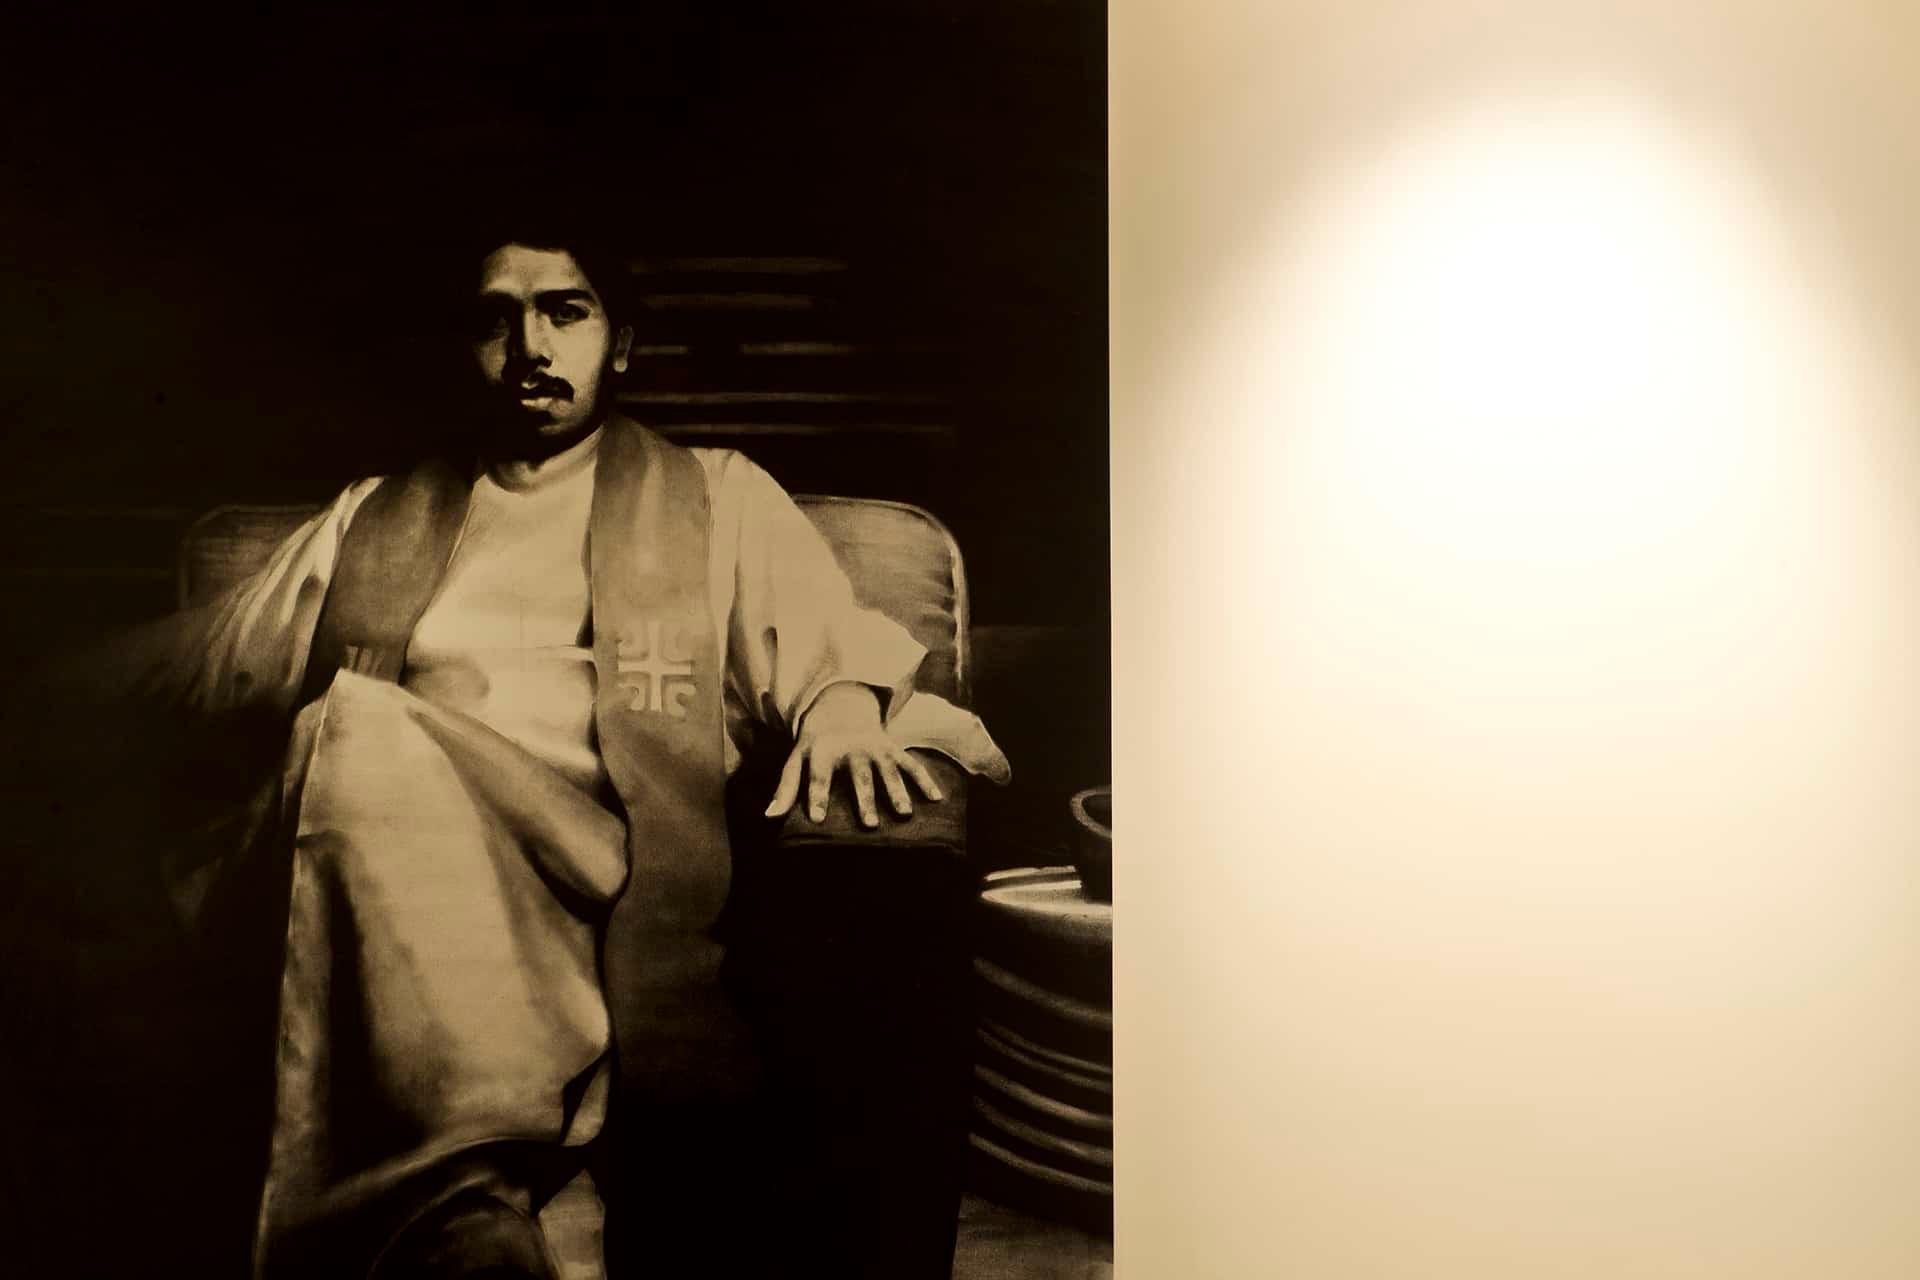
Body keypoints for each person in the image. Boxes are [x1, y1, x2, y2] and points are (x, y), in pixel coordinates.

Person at [39, 219, 1007, 1279]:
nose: (530, 348)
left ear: (619, 344)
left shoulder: (714, 492)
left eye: (564, 312)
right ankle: (462, 1221)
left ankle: (440, 1206)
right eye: (495, 320)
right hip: (391, 864)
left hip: (589, 868)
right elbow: (206, 663)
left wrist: (841, 710)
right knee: (348, 729)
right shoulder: (374, 516)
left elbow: (822, 643)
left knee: (353, 723)